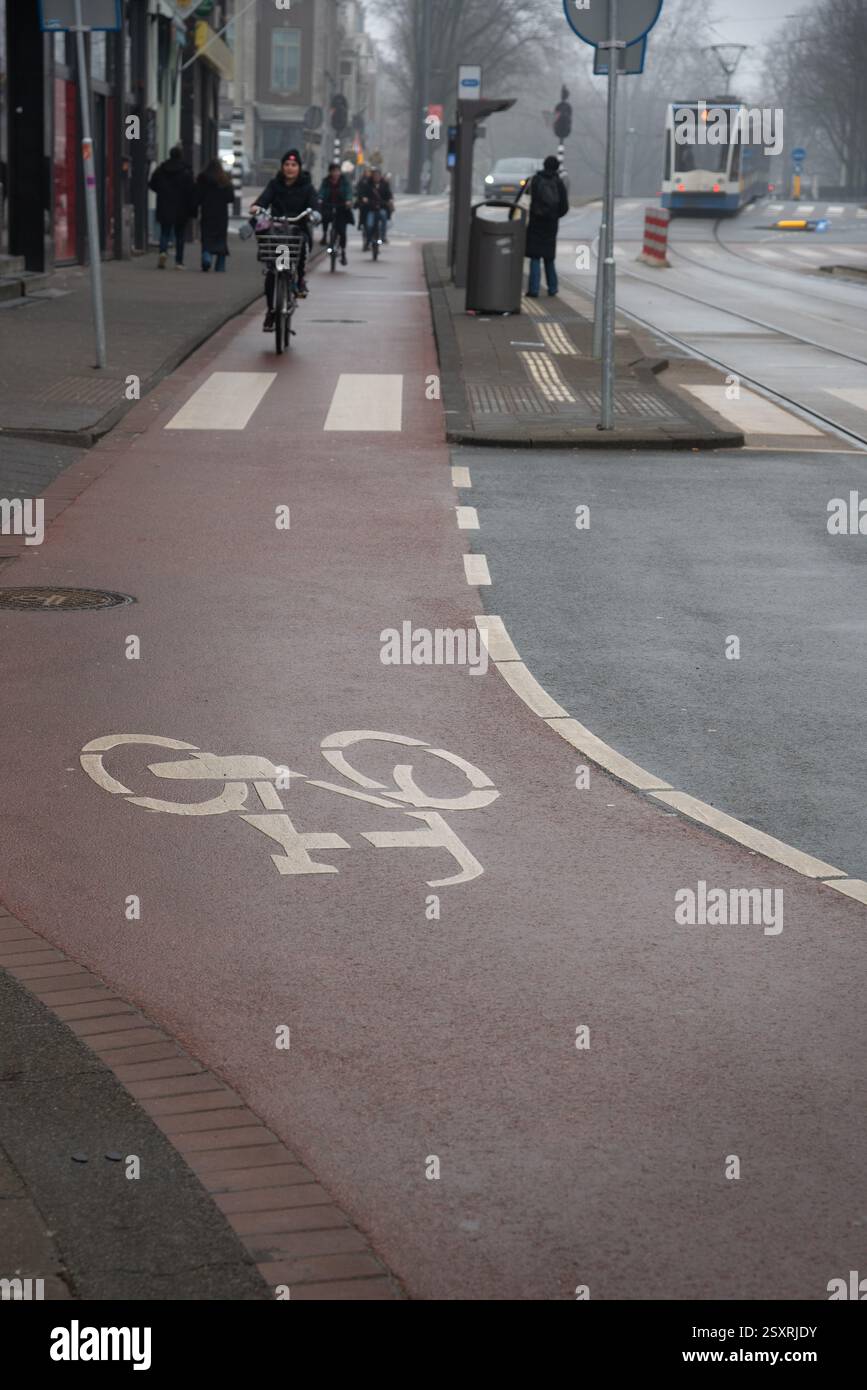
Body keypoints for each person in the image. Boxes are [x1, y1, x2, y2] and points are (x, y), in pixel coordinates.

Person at [250, 149, 319, 329]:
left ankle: (300, 279)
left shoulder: (307, 187)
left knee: (302, 246)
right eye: (287, 165)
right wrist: (257, 207)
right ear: (282, 167)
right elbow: (264, 199)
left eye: (293, 165)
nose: (290, 168)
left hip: (298, 231)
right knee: (274, 271)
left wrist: (315, 213)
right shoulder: (275, 185)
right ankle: (271, 311)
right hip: (278, 233)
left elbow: (314, 204)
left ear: (299, 168)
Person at [524, 155, 569, 298]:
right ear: (556, 167)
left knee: (535, 257)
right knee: (549, 257)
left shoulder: (535, 180)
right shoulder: (558, 183)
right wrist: (554, 215)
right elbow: (564, 207)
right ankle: (553, 288)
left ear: (544, 165)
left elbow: (525, 200)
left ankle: (534, 289)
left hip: (536, 222)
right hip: (551, 224)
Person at [149, 145, 195, 269]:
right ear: (180, 156)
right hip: (181, 207)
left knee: (164, 232)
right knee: (180, 235)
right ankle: (178, 262)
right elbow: (191, 190)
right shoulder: (186, 170)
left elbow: (152, 184)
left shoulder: (161, 169)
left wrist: (162, 192)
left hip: (165, 205)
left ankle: (163, 252)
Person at [194, 158, 234, 272]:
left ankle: (206, 257)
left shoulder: (202, 179)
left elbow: (197, 196)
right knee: (221, 239)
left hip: (207, 213)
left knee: (206, 237)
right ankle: (220, 266)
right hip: (221, 215)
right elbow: (230, 198)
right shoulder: (225, 180)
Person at [318, 160, 353, 265]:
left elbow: (348, 192)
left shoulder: (344, 181)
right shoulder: (326, 181)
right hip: (328, 206)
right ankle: (324, 235)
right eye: (333, 171)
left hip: (341, 207)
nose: (336, 173)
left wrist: (348, 200)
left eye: (337, 171)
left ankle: (343, 252)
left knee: (342, 231)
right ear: (330, 172)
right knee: (324, 218)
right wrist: (320, 198)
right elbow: (322, 191)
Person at [356, 168, 394, 252]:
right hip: (370, 209)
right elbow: (362, 193)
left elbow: (389, 194)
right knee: (369, 225)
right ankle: (368, 240)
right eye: (375, 176)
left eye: (378, 176)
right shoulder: (367, 184)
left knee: (384, 217)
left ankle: (383, 237)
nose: (376, 177)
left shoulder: (384, 184)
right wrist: (364, 198)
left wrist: (390, 200)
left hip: (381, 207)